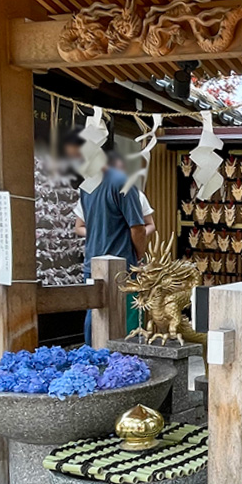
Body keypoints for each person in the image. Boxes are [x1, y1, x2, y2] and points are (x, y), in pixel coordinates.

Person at [62, 129, 146, 344]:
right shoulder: (122, 183)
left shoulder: (87, 186)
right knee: (124, 319)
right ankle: (117, 363)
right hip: (120, 264)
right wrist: (139, 256)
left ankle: (93, 358)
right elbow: (138, 227)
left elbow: (84, 225)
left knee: (95, 315)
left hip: (93, 261)